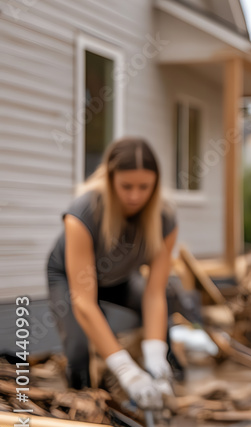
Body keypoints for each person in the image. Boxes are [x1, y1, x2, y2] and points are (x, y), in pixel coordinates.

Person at [46, 137, 179, 411]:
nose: (135, 196)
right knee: (78, 350)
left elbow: (154, 294)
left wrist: (155, 354)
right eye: (126, 186)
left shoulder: (165, 220)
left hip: (120, 278)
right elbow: (84, 301)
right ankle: (81, 405)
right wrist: (124, 369)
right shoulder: (83, 214)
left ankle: (166, 377)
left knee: (166, 311)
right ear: (110, 179)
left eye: (144, 187)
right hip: (72, 280)